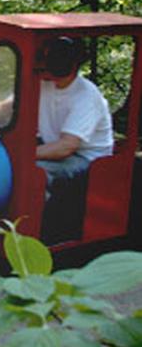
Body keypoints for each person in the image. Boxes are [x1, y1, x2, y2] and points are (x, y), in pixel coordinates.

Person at [34, 36, 113, 242]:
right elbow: (8, 107)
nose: (48, 74)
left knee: (38, 173)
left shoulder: (86, 95)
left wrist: (23, 155)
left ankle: (42, 235)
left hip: (87, 157)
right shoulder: (45, 84)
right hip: (53, 145)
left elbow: (66, 147)